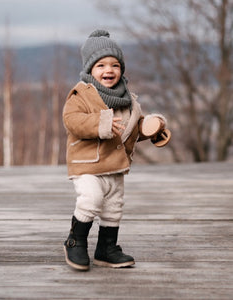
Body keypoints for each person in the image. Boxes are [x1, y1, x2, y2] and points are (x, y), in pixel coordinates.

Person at [62, 29, 168, 271]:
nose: (108, 70)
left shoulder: (129, 100)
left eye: (114, 65)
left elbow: (130, 130)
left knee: (113, 207)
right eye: (100, 65)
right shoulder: (81, 95)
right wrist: (101, 123)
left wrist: (152, 129)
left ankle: (106, 248)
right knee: (91, 199)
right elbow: (72, 121)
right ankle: (75, 241)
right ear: (89, 70)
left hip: (115, 165)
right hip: (88, 164)